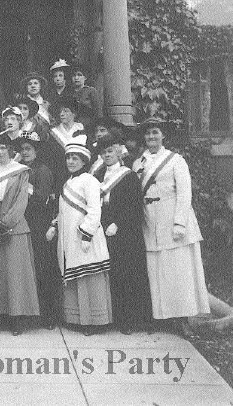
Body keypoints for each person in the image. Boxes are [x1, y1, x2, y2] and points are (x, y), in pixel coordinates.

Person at [132, 117, 209, 336]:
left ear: (163, 135)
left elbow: (185, 194)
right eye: (147, 133)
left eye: (155, 132)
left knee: (178, 272)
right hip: (150, 220)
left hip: (172, 218)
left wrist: (179, 223)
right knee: (157, 272)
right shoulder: (139, 163)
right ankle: (162, 318)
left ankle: (182, 318)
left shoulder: (176, 161)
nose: (151, 137)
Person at [46, 136, 112, 336]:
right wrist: (54, 225)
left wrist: (86, 235)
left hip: (86, 239)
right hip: (68, 239)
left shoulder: (90, 180)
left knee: (88, 276)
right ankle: (76, 319)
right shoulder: (68, 182)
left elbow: (94, 210)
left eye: (75, 158)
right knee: (73, 276)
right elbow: (64, 211)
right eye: (69, 158)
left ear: (84, 161)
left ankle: (92, 321)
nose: (71, 162)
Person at [0, 133, 40, 335]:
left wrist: (6, 222)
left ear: (11, 151)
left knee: (16, 273)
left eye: (3, 148)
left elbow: (22, 199)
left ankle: (17, 319)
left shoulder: (20, 171)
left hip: (14, 224)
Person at [95, 134, 152, 334]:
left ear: (119, 152)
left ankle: (130, 320)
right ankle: (114, 318)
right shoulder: (98, 176)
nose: (107, 155)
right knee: (111, 275)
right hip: (104, 229)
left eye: (110, 151)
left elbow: (134, 205)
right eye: (103, 152)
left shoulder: (128, 176)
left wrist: (118, 223)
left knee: (127, 275)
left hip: (125, 233)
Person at [17, 132, 60, 330]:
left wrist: (24, 189)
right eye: (23, 149)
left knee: (42, 267)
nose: (25, 152)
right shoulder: (19, 169)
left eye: (29, 149)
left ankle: (48, 314)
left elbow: (42, 199)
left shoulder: (42, 170)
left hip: (38, 222)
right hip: (23, 221)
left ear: (36, 150)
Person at [47, 96, 86, 193]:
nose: (62, 114)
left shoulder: (82, 130)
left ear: (74, 114)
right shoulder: (53, 133)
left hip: (80, 173)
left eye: (66, 111)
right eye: (60, 112)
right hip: (59, 175)